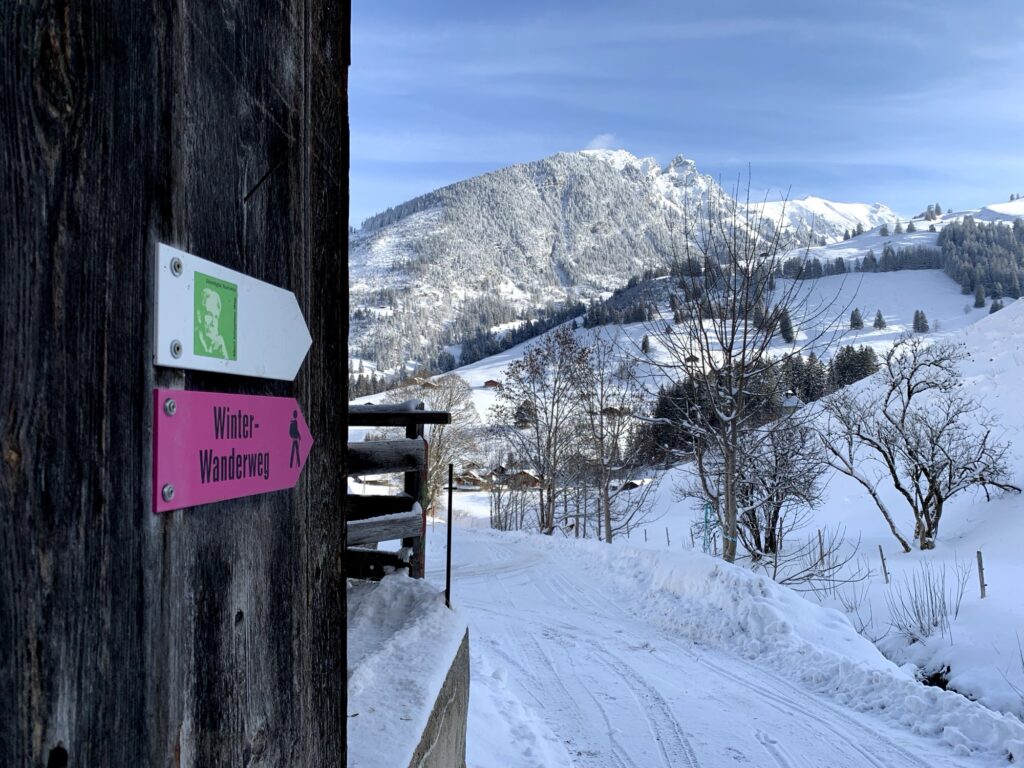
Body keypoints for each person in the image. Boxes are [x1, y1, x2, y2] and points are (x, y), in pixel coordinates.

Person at [196, 288, 229, 358]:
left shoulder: (218, 344)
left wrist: (224, 357)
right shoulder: (193, 341)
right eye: (210, 315)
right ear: (199, 316)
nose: (213, 323)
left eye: (216, 317)